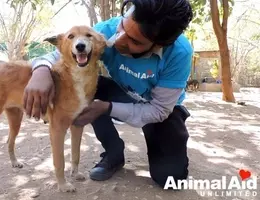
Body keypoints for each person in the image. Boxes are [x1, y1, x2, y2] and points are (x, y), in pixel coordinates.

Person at [23, 0, 194, 188]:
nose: (119, 40)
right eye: (122, 28)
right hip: (121, 91)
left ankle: (160, 137)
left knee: (170, 178)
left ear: (158, 45)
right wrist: (40, 71)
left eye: (134, 41)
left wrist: (106, 107)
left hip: (158, 107)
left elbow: (159, 110)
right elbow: (59, 54)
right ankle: (113, 153)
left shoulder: (179, 53)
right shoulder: (105, 30)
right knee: (92, 87)